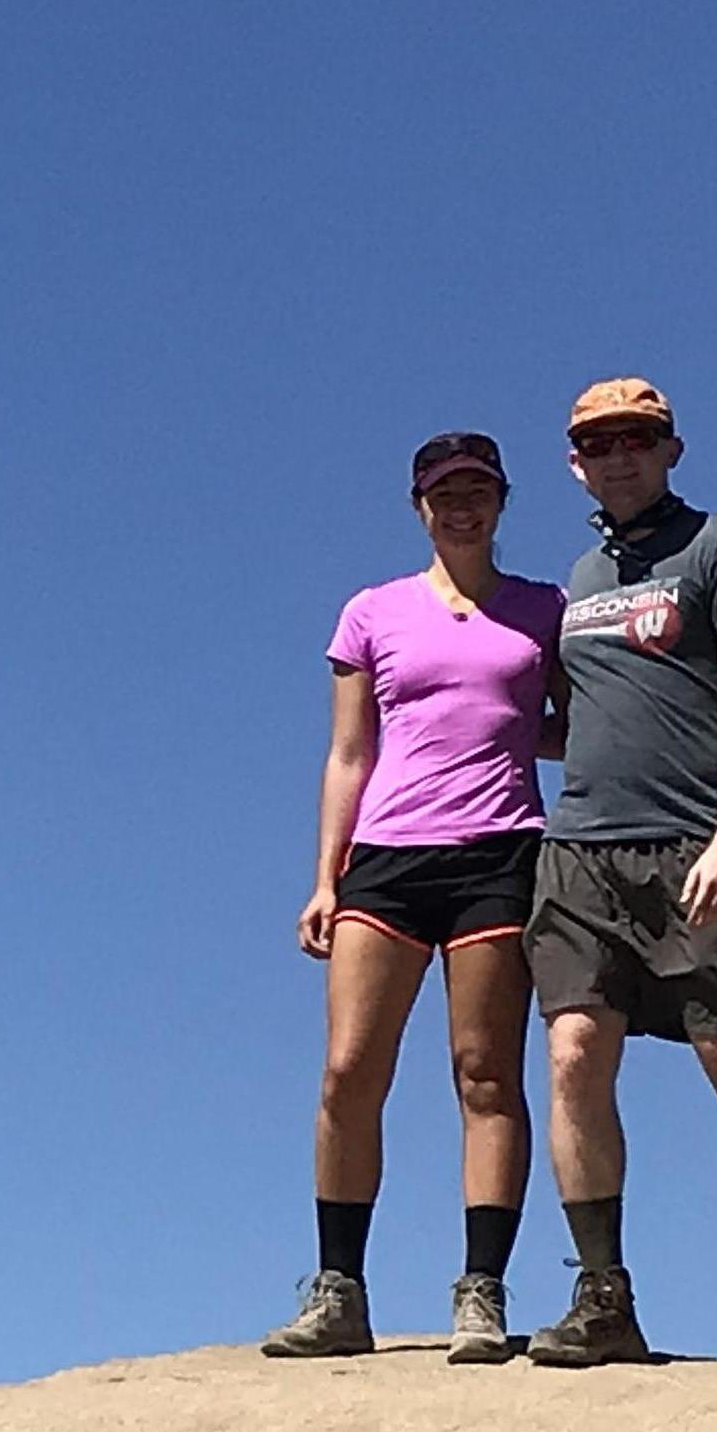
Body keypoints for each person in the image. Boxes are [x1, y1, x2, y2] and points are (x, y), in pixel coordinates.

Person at [520, 378, 717, 1372]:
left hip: (694, 839)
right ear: (573, 463)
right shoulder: (576, 581)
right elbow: (578, 718)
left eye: (635, 440)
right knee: (570, 1057)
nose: (616, 457)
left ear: (670, 448)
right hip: (579, 851)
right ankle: (602, 1296)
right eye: (596, 444)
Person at [262, 431, 564, 1363]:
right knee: (349, 1071)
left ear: (503, 501)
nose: (461, 507)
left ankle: (481, 1291)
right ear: (418, 506)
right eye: (443, 493)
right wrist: (324, 875)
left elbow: (570, 726)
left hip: (500, 856)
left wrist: (515, 733)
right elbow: (351, 751)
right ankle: (340, 1289)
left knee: (485, 1072)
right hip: (386, 859)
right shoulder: (372, 613)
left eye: (478, 490)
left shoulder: (546, 611)